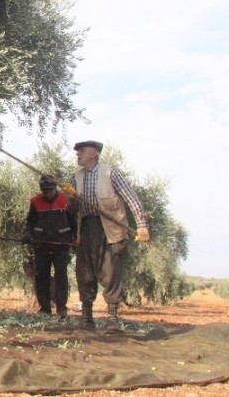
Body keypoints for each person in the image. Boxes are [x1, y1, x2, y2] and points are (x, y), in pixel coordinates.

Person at [69, 140, 150, 332]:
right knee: (84, 272)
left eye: (81, 151)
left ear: (94, 154)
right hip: (86, 228)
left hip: (110, 229)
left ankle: (113, 320)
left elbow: (131, 197)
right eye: (77, 151)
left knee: (111, 272)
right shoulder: (75, 178)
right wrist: (68, 198)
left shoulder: (109, 172)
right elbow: (71, 209)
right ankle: (86, 318)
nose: (77, 154)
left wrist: (142, 225)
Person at [22, 174, 77, 318]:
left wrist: (76, 238)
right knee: (41, 276)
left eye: (50, 191)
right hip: (41, 245)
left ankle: (61, 308)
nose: (47, 194)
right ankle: (45, 308)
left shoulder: (65, 200)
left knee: (61, 276)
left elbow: (73, 223)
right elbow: (30, 222)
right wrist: (27, 234)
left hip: (61, 245)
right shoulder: (35, 202)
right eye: (44, 191)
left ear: (55, 188)